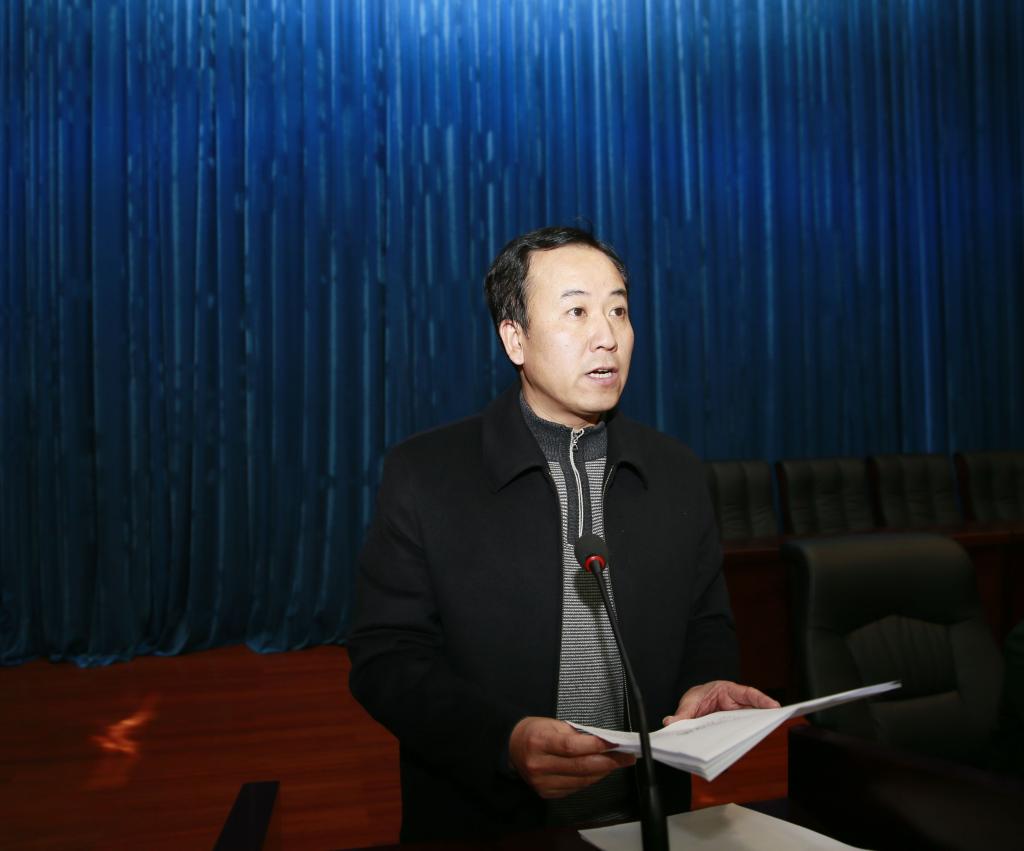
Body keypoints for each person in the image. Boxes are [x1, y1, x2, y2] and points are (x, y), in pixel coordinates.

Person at [347, 225, 778, 842]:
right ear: (515, 338)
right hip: (487, 821)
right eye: (577, 311)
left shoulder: (676, 471)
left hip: (647, 821)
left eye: (618, 311)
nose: (607, 336)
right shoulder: (426, 474)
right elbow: (386, 658)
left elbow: (707, 623)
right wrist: (504, 740)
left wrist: (705, 686)